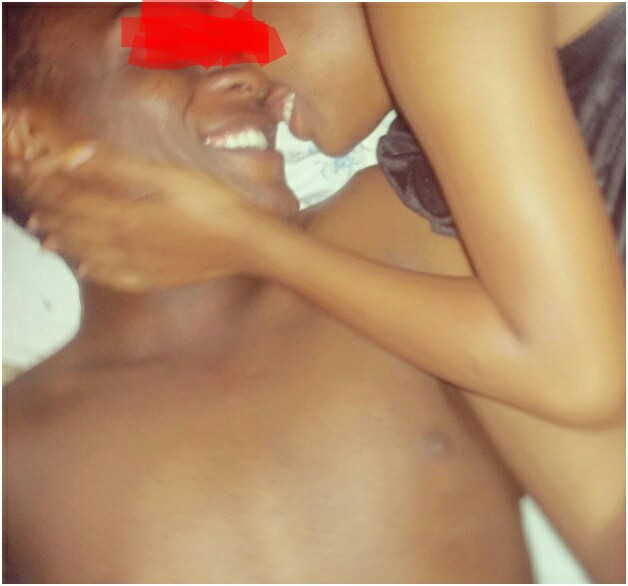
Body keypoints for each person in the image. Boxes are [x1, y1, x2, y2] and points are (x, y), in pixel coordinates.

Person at [4, 3, 624, 583]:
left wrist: (254, 242)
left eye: (226, 43)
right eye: (163, 47)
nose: (245, 73)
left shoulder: (406, 231)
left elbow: (607, 507)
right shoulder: (17, 452)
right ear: (27, 140)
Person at [31, 3, 625, 428]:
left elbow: (578, 372)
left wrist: (254, 243)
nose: (245, 74)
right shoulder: (420, 172)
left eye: (231, 26)